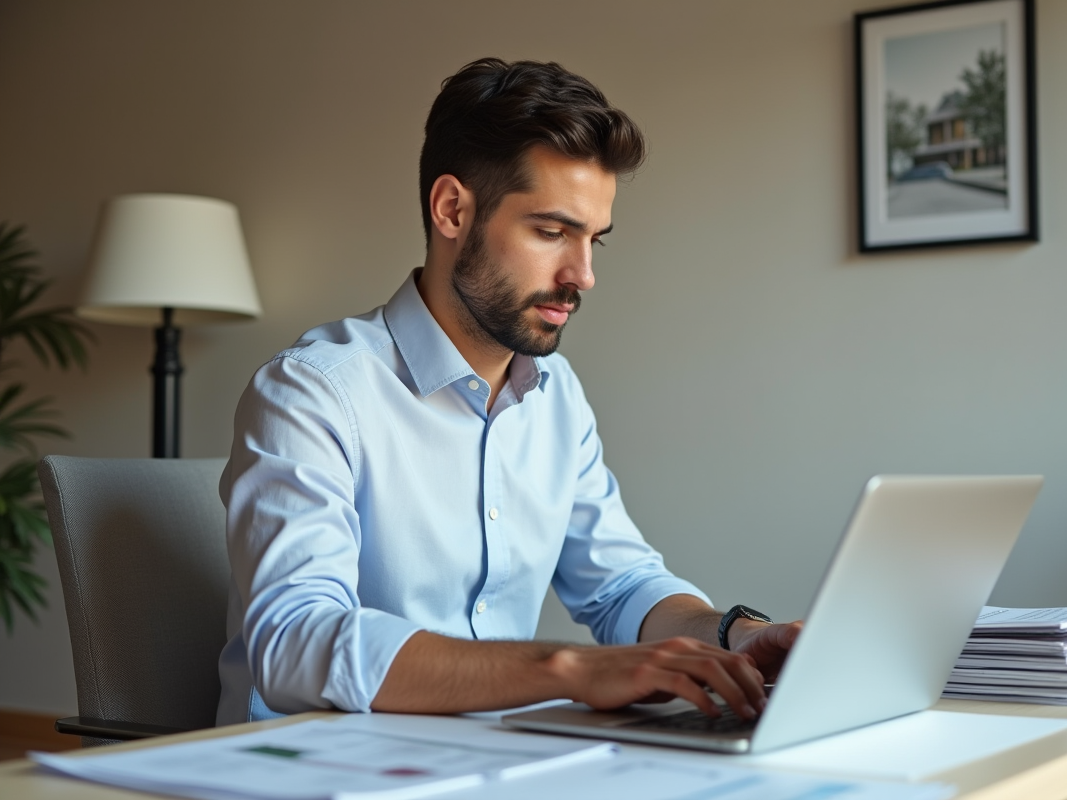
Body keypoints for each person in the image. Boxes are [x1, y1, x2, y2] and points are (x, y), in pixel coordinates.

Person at [216, 57, 801, 727]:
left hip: (500, 761)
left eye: (594, 240)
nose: (582, 274)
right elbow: (294, 643)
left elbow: (621, 586)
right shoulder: (312, 392)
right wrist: (569, 670)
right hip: (322, 766)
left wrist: (736, 636)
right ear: (452, 210)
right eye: (551, 232)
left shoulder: (557, 396)